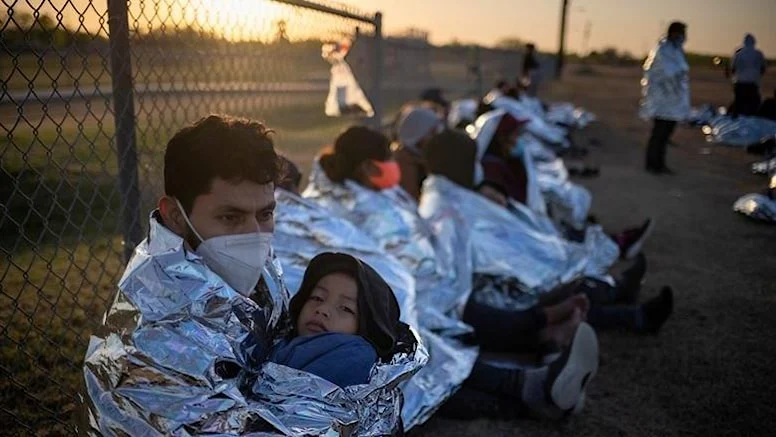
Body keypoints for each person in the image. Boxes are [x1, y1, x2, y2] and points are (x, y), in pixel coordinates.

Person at [307, 126, 602, 418]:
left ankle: (542, 351)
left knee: (454, 320)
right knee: (429, 348)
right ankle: (536, 377)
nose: (394, 166)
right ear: (369, 166)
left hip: (415, 290)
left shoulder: (374, 193)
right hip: (395, 298)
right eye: (387, 159)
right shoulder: (342, 203)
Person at [80, 115, 290, 434]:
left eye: (266, 214)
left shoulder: (235, 260)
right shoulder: (153, 338)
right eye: (230, 217)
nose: (255, 234)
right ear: (176, 216)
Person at [423, 129, 674, 337]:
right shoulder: (441, 206)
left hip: (498, 275)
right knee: (552, 292)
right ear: (460, 163)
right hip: (488, 290)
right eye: (472, 161)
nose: (478, 167)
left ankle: (618, 291)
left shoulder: (452, 192)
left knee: (559, 274)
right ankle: (630, 312)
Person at [270, 252, 415, 388]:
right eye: (317, 298)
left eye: (345, 308)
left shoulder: (354, 354)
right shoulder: (282, 341)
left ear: (366, 326)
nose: (322, 310)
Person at [641, 21, 690, 175]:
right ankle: (653, 164)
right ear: (674, 33)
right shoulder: (664, 50)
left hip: (671, 101)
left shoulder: (675, 50)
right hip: (662, 100)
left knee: (665, 133)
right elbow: (670, 72)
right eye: (682, 33)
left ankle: (658, 163)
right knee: (660, 133)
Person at [392, 106, 444, 199]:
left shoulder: (421, 157)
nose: (436, 138)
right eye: (432, 132)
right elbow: (411, 197)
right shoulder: (405, 161)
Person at [730, 34, 767, 116]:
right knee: (753, 106)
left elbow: (733, 68)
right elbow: (763, 68)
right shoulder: (758, 54)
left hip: (740, 83)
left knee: (738, 104)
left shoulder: (739, 54)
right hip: (752, 84)